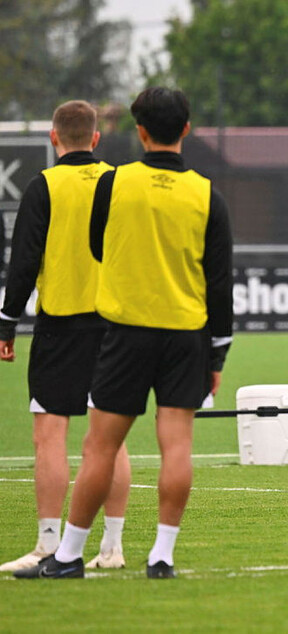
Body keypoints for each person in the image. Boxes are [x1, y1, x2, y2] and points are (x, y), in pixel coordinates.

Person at [15, 87, 234, 578]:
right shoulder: (206, 193)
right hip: (185, 333)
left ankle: (67, 555)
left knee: (100, 445)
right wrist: (217, 354)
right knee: (175, 446)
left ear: (139, 132)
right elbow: (219, 282)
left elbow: (96, 243)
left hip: (126, 331)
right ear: (186, 129)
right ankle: (162, 555)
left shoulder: (114, 183)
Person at [0, 101, 131, 573]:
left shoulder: (43, 185)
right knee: (110, 438)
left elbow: (24, 261)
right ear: (96, 139)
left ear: (54, 139)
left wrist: (7, 321)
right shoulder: (120, 180)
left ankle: (48, 544)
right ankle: (112, 548)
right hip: (117, 325)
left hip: (60, 325)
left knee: (49, 435)